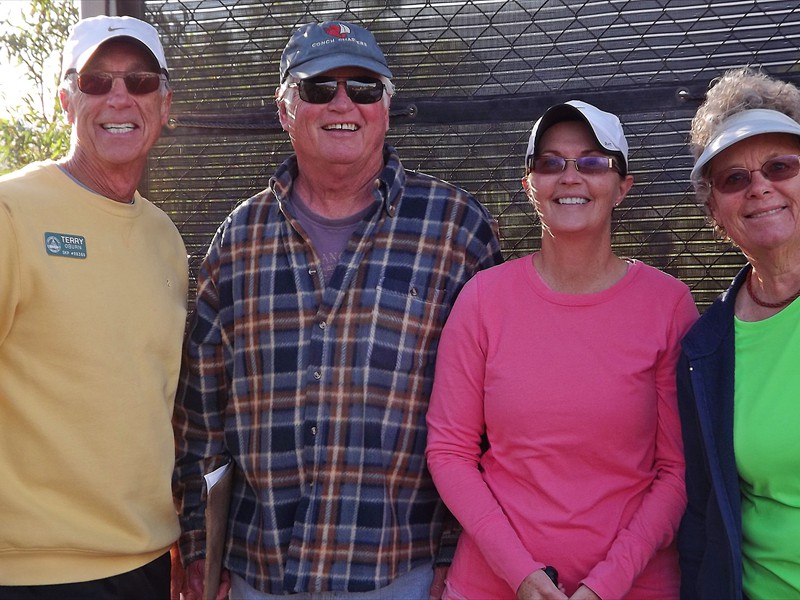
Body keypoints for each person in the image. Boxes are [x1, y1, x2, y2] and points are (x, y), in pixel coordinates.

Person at [172, 20, 503, 599]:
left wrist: (464, 549)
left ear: (387, 105)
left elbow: (494, 414)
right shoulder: (239, 240)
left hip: (403, 573)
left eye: (365, 88)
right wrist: (203, 550)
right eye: (319, 88)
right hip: (258, 573)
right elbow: (202, 415)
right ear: (284, 110)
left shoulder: (455, 228)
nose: (343, 103)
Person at [425, 100, 699, 600]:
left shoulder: (669, 306)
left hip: (636, 586)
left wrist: (604, 585)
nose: (570, 177)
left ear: (623, 187)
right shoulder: (484, 300)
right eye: (551, 163)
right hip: (493, 585)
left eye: (593, 162)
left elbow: (677, 470)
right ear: (530, 186)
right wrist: (523, 576)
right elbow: (450, 452)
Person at [0, 15, 187, 600]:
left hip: (148, 562)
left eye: (139, 80)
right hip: (33, 574)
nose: (120, 97)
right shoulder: (12, 214)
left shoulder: (166, 239)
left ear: (164, 103)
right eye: (97, 81)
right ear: (65, 99)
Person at [677, 67, 800, 600]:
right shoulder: (705, 348)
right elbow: (705, 512)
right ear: (716, 213)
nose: (760, 187)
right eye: (734, 179)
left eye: (781, 166)